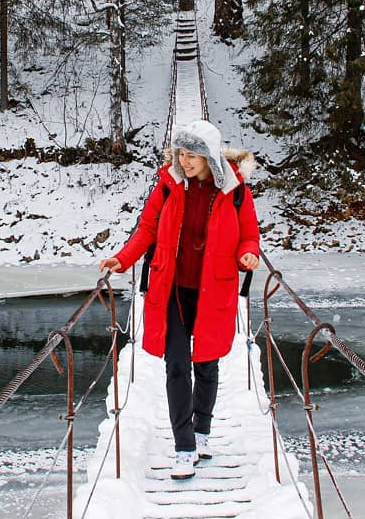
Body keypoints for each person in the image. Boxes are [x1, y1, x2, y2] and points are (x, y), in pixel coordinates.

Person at [100, 119, 260, 480]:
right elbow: (147, 229)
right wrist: (123, 259)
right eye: (180, 154)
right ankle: (184, 446)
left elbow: (250, 235)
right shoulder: (169, 185)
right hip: (171, 289)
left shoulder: (234, 190)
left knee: (206, 364)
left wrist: (247, 254)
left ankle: (202, 432)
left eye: (192, 155)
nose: (184, 161)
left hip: (213, 290)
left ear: (209, 158)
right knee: (176, 365)